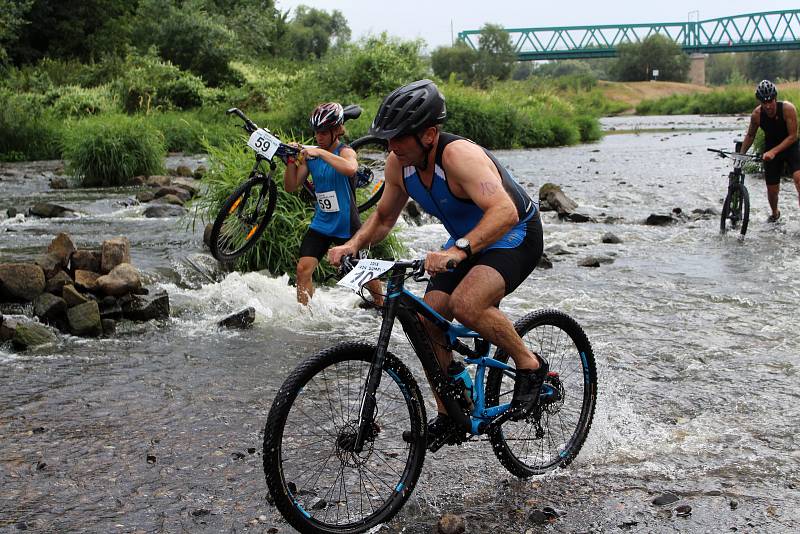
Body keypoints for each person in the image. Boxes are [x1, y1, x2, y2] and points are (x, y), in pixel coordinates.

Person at [328, 79, 546, 440]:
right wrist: (352, 244)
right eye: (387, 138)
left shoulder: (459, 158)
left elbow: (504, 212)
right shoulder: (399, 165)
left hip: (513, 233)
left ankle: (529, 364)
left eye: (398, 137)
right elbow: (383, 218)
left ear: (429, 134)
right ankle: (450, 414)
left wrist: (458, 251)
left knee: (467, 304)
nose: (391, 146)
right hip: (465, 240)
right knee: (427, 321)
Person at [285, 102, 382, 305]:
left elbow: (350, 168)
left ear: (336, 131)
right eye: (316, 132)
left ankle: (382, 305)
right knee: (303, 270)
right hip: (322, 222)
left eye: (323, 132)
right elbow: (291, 186)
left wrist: (320, 153)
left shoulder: (345, 151)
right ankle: (305, 317)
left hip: (346, 222)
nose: (318, 137)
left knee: (365, 272)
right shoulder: (311, 156)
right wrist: (291, 162)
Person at [739, 79, 800, 222]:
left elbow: (792, 136)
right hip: (770, 149)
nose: (768, 106)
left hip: (790, 147)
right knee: (772, 190)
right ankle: (775, 213)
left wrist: (774, 151)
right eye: (764, 102)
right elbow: (750, 135)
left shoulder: (788, 109)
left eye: (770, 101)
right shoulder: (756, 115)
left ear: (775, 98)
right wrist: (741, 154)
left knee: (798, 179)